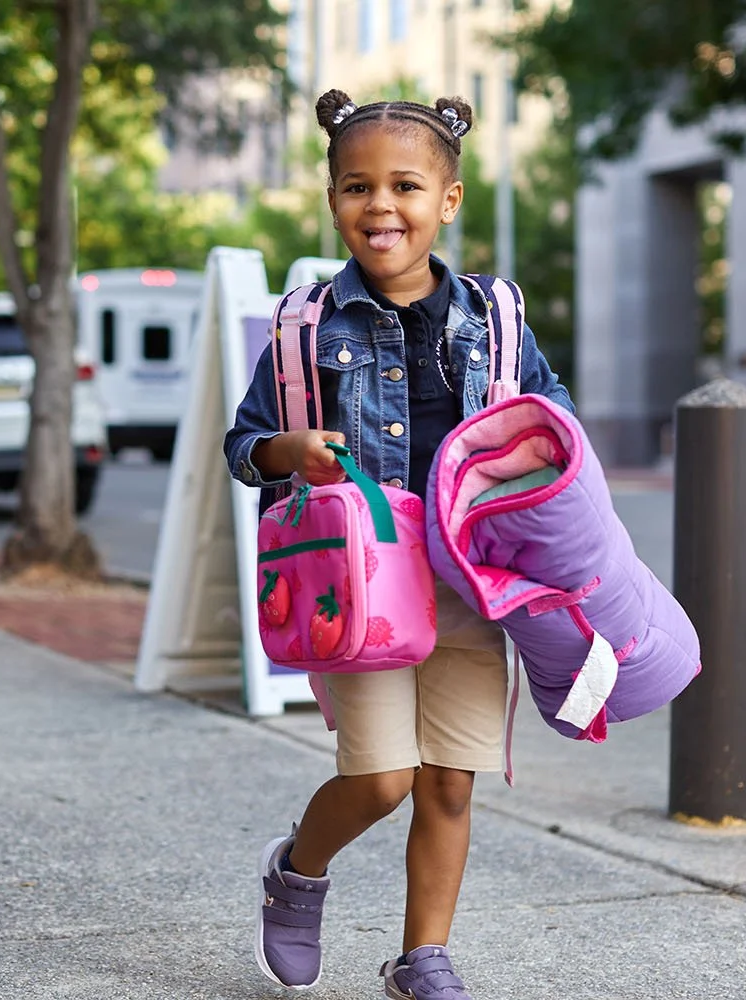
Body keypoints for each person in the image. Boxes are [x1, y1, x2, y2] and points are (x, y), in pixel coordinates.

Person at [224, 89, 574, 999]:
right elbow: (244, 444)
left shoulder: (495, 319)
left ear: (447, 200)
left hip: (468, 578)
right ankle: (297, 873)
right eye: (356, 187)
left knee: (449, 785)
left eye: (406, 186)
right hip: (363, 589)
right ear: (334, 197)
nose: (381, 207)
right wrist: (286, 450)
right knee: (381, 781)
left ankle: (423, 956)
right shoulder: (306, 327)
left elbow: (551, 418)